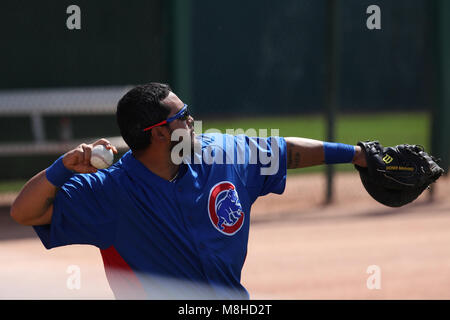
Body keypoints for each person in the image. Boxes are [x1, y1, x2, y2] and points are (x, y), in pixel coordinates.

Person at [10, 82, 367, 299]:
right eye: (184, 115)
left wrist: (357, 155)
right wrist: (60, 169)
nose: (193, 121)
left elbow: (285, 152)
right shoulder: (110, 192)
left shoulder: (224, 153)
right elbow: (25, 212)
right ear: (160, 133)